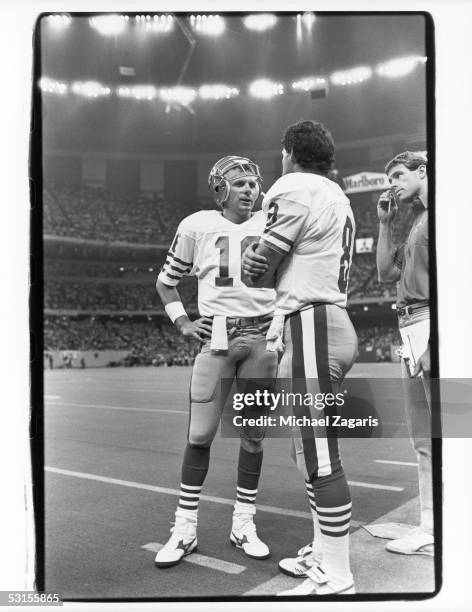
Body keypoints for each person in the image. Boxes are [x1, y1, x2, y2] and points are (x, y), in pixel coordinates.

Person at [242, 120, 358, 595]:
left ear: (288, 152)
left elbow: (258, 268)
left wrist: (254, 255)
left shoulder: (291, 186)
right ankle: (322, 551)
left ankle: (338, 573)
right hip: (323, 322)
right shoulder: (337, 194)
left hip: (312, 323)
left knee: (320, 455)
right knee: (306, 451)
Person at [154, 156, 277, 568]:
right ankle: (185, 527)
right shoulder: (196, 225)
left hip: (263, 336)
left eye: (253, 183)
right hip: (218, 338)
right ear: (220, 189)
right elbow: (166, 283)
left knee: (253, 435)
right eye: (239, 183)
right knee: (200, 434)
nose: (248, 189)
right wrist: (185, 324)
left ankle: (243, 523)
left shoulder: (273, 223)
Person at [376, 151, 433, 556]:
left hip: (430, 323)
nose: (393, 182)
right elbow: (385, 273)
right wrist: (383, 224)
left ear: (423, 171)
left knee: (452, 432)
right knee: (424, 439)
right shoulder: (415, 222)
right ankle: (431, 525)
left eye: (399, 174)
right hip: (411, 327)